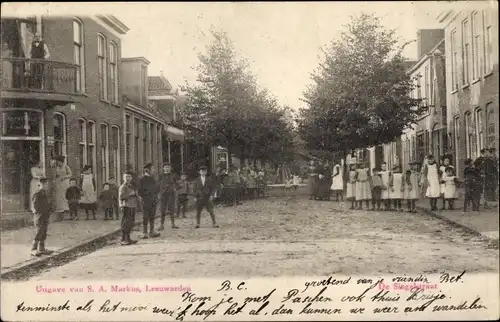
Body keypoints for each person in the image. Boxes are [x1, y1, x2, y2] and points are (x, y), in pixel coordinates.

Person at [137, 163, 161, 238]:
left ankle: (152, 231)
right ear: (147, 170)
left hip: (153, 200)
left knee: (152, 216)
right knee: (145, 217)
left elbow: (157, 189)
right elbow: (139, 192)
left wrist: (156, 197)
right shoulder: (142, 180)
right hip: (146, 200)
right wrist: (144, 198)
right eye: (152, 169)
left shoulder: (154, 179)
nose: (154, 170)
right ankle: (144, 232)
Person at [31, 178, 54, 257]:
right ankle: (33, 249)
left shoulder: (45, 193)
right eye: (44, 184)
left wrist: (50, 210)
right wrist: (38, 212)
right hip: (39, 216)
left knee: (44, 232)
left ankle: (42, 248)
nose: (46, 186)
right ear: (40, 185)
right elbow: (34, 206)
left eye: (47, 184)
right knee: (39, 232)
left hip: (45, 215)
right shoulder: (37, 194)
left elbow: (48, 203)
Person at [119, 172, 138, 245]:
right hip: (126, 206)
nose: (128, 178)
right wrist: (130, 194)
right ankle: (123, 239)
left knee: (131, 222)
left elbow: (135, 194)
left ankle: (128, 238)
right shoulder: (123, 187)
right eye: (126, 177)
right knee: (125, 223)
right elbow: (121, 197)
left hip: (132, 205)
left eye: (129, 177)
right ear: (123, 178)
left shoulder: (132, 186)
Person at [158, 163, 179, 230]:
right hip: (163, 195)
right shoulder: (160, 176)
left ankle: (173, 224)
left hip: (171, 195)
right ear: (163, 168)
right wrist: (159, 193)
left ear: (170, 168)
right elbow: (157, 185)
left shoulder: (173, 175)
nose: (167, 168)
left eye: (168, 167)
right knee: (162, 210)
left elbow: (177, 184)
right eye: (166, 167)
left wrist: (175, 188)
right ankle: (161, 225)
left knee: (171, 209)